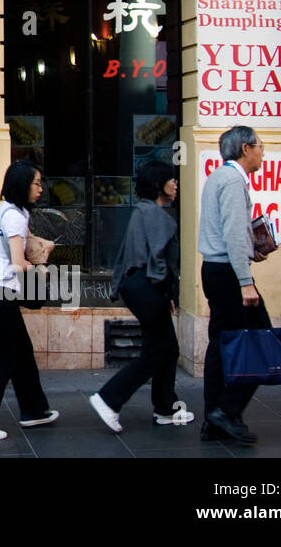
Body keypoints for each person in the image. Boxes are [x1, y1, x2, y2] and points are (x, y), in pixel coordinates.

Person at [89, 160, 192, 432]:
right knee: (156, 353)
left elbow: (127, 257)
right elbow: (159, 262)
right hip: (149, 289)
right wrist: (165, 290)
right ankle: (108, 398)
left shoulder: (141, 211)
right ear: (160, 185)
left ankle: (166, 409)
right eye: (171, 180)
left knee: (168, 349)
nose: (176, 184)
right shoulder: (158, 217)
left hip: (139, 288)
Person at [0, 160, 58, 440]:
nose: (40, 188)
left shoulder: (14, 211)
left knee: (21, 355)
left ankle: (34, 410)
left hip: (0, 292)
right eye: (36, 183)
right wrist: (40, 267)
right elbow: (18, 263)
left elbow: (26, 242)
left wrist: (43, 245)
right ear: (22, 185)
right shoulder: (14, 216)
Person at [196, 125, 270, 445]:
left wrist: (251, 251)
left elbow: (232, 232)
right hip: (228, 274)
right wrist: (246, 282)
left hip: (217, 269)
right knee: (259, 340)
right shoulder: (232, 180)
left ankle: (214, 420)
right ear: (245, 149)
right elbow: (234, 233)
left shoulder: (219, 177)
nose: (262, 153)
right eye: (260, 146)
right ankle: (227, 410)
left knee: (221, 347)